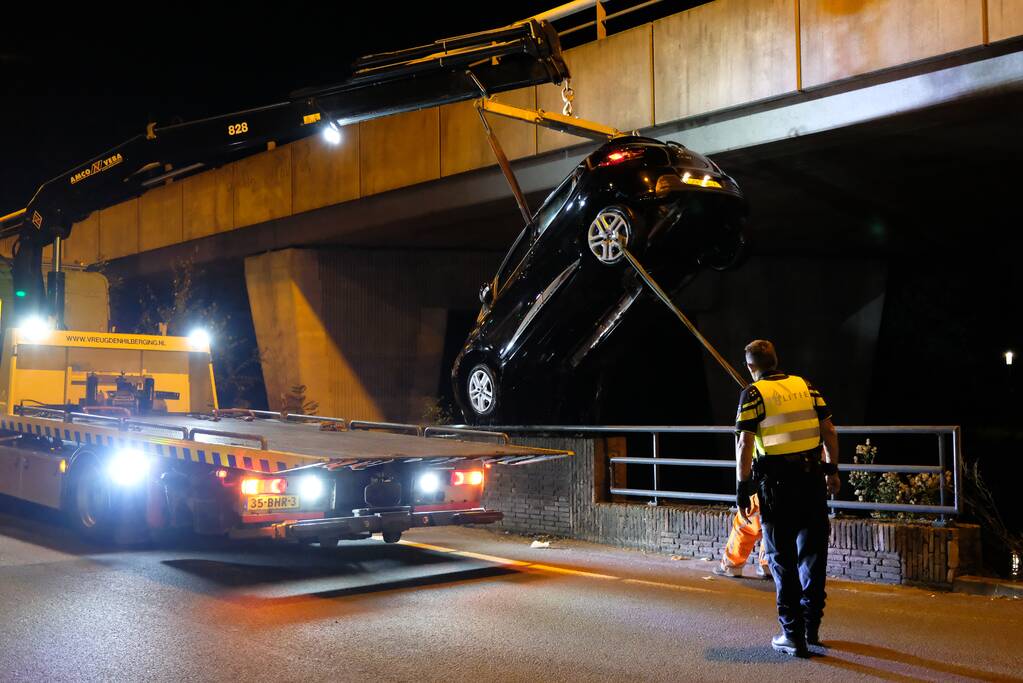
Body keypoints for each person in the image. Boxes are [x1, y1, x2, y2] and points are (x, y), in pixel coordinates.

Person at [734, 339, 840, 657]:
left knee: (783, 559)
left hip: (777, 485)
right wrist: (832, 470)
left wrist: (743, 488)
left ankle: (792, 635)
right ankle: (812, 629)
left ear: (751, 367)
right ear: (776, 359)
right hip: (812, 481)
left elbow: (744, 444)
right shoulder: (806, 386)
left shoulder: (752, 394)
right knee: (813, 556)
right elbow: (830, 431)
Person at [712, 494, 771, 579]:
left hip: (773, 492)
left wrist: (741, 494)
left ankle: (731, 566)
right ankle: (769, 564)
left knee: (744, 526)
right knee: (773, 528)